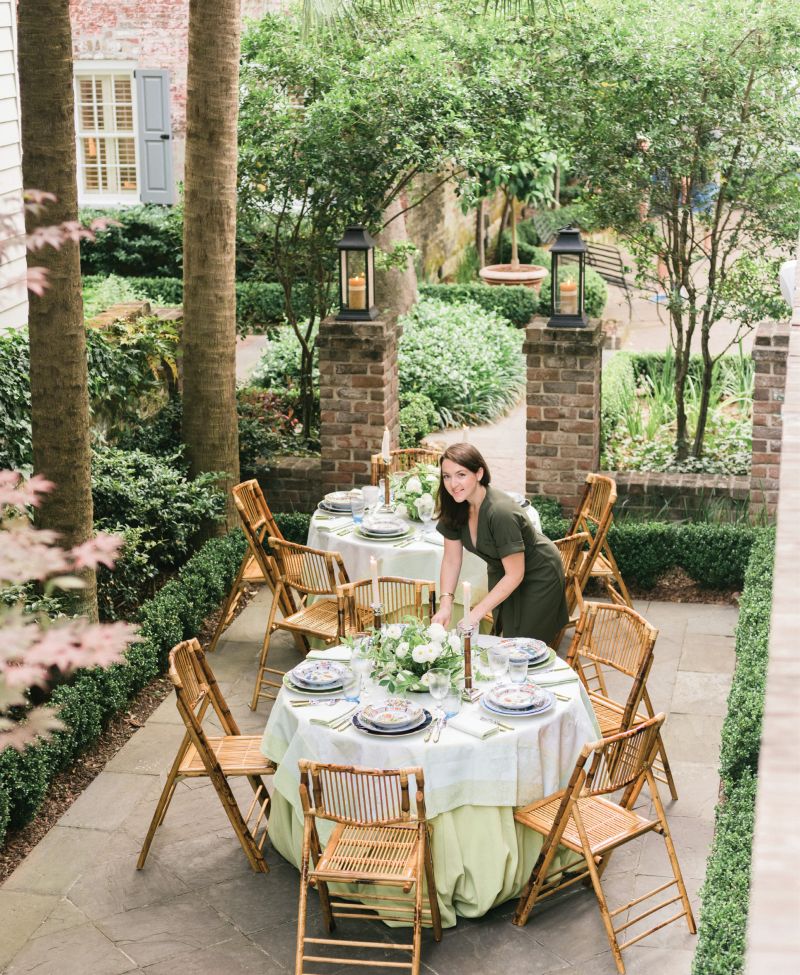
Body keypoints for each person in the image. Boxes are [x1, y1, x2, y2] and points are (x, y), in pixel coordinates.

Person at [431, 444, 568, 646]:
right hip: (503, 572)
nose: (453, 484)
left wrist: (475, 614)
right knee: (507, 636)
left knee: (525, 646)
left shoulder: (500, 512)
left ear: (479, 473)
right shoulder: (455, 506)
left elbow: (515, 573)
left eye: (461, 474)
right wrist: (445, 605)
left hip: (538, 573)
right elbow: (451, 560)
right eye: (447, 476)